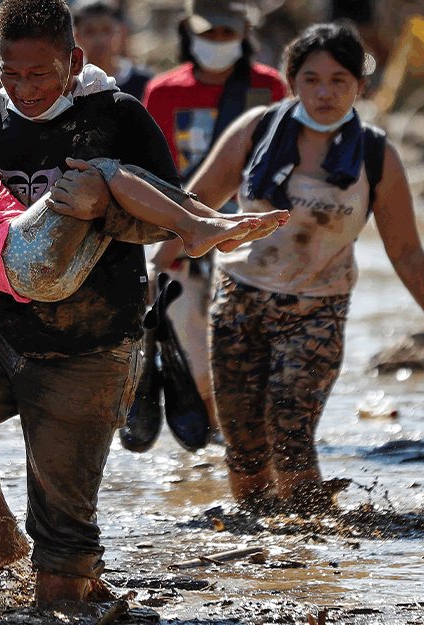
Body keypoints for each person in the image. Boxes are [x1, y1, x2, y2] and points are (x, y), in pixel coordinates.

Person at [0, 0, 282, 605]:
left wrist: (104, 211)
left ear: (73, 62)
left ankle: (64, 565)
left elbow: (163, 218)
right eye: (11, 73)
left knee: (63, 581)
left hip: (91, 346)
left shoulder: (117, 117)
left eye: (40, 74)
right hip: (0, 328)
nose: (24, 89)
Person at [182, 21, 424, 511]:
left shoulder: (374, 154)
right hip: (238, 303)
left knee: (290, 428)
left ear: (360, 86)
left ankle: (312, 544)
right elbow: (192, 208)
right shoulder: (256, 131)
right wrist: (156, 273)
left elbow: (406, 250)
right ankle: (261, 549)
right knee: (243, 445)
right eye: (311, 79)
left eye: (339, 80)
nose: (324, 92)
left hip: (317, 312)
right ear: (291, 81)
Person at [0, 73, 283, 304]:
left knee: (115, 195)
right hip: (18, 256)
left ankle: (208, 222)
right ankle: (196, 227)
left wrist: (3, 81)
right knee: (98, 171)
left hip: (48, 277)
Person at [141, 0, 288, 432]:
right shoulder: (164, 92)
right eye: (209, 34)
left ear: (245, 32)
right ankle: (209, 439)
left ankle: (242, 437)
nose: (218, 43)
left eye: (227, 33)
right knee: (191, 350)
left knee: (249, 350)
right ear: (189, 31)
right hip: (181, 237)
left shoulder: (271, 88)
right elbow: (155, 174)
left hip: (251, 237)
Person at [71, 0, 153, 101]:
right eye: (90, 32)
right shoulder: (69, 82)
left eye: (107, 30)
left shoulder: (143, 82)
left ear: (123, 32)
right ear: (76, 36)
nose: (100, 40)